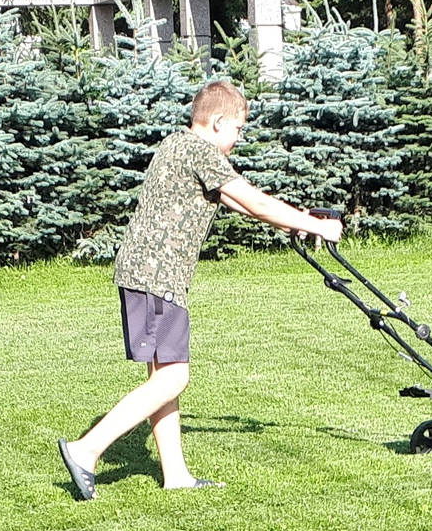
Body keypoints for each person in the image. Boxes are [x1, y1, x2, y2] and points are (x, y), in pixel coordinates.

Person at [58, 80, 343, 500]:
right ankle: (86, 450)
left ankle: (175, 474)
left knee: (162, 375)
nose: (238, 139)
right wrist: (318, 225)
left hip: (144, 271)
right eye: (238, 130)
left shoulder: (175, 146)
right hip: (158, 275)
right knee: (174, 377)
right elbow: (252, 198)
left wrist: (294, 222)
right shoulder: (199, 151)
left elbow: (240, 203)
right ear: (217, 122)